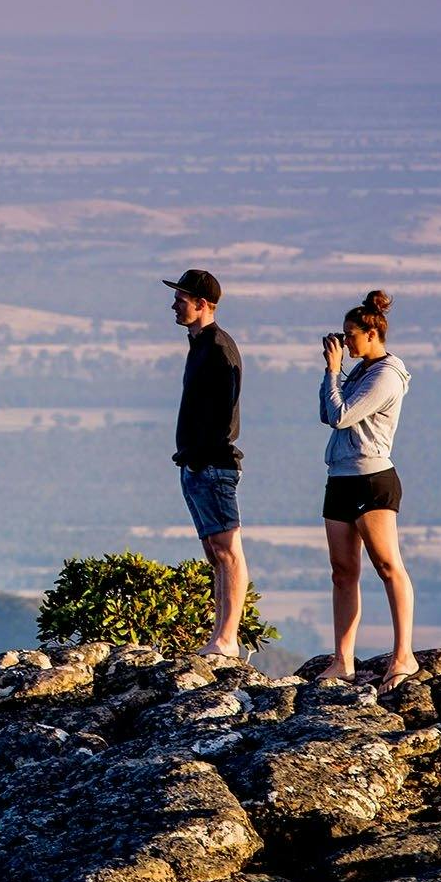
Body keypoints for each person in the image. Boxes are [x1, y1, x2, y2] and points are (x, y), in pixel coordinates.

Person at [312, 290, 416, 690]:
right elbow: (326, 413)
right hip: (340, 476)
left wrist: (335, 369)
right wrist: (333, 372)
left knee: (388, 566)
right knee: (342, 573)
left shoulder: (386, 375)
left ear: (371, 333)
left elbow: (340, 416)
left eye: (350, 334)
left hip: (371, 478)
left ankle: (403, 655)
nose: (345, 341)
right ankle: (343, 659)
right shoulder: (359, 371)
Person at [163, 267, 248, 659]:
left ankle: (227, 639)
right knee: (214, 552)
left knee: (228, 550)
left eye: (181, 300)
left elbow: (225, 410)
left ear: (202, 304)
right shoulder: (199, 344)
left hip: (212, 464)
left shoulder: (217, 348)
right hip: (197, 463)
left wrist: (205, 451)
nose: (175, 305)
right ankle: (220, 636)